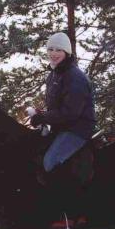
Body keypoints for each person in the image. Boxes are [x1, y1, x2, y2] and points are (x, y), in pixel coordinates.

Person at [29, 32, 96, 181]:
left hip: (78, 129)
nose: (53, 53)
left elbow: (70, 113)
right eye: (50, 49)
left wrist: (43, 117)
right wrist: (41, 115)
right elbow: (57, 107)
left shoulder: (74, 76)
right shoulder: (54, 74)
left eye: (58, 50)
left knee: (49, 162)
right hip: (62, 127)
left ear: (67, 52)